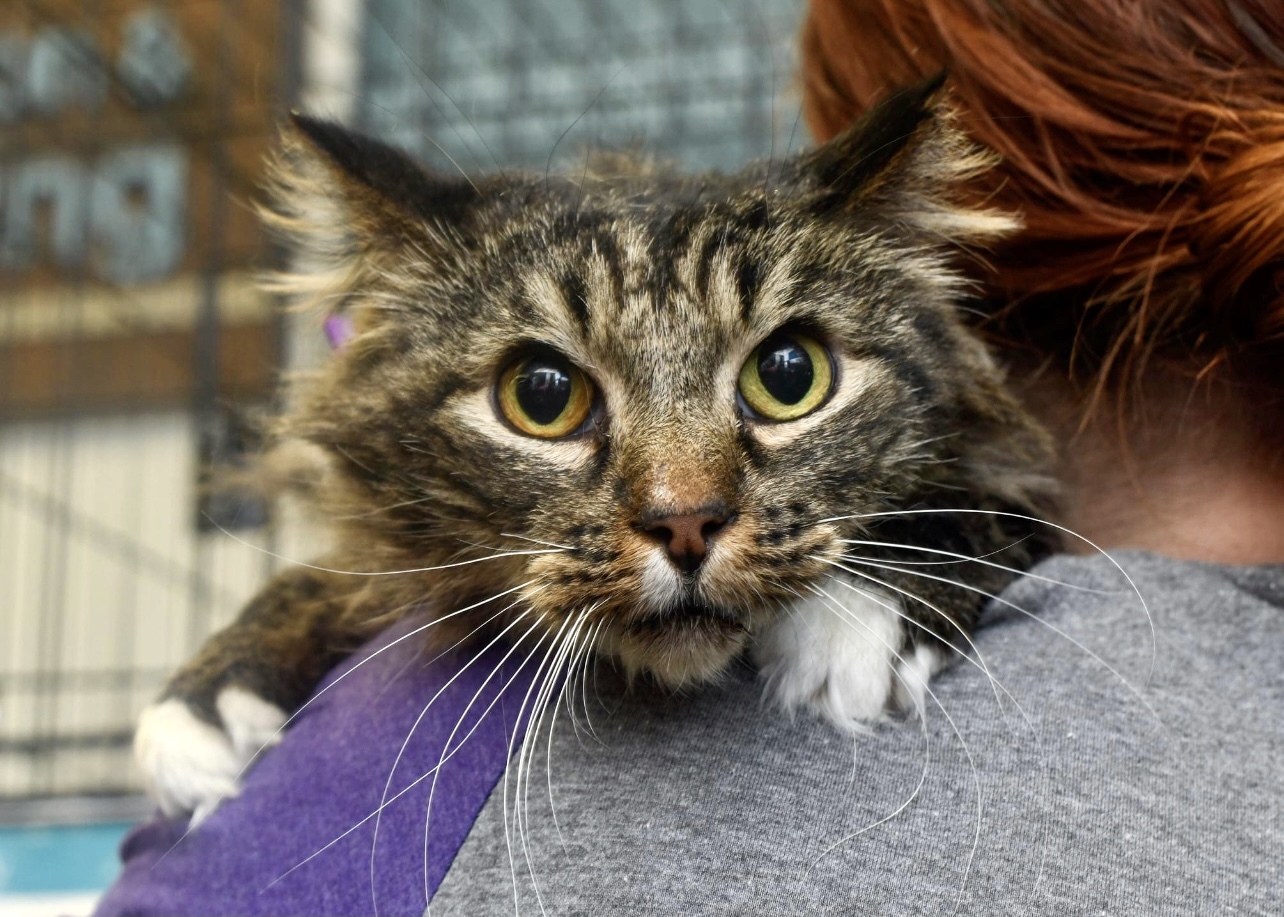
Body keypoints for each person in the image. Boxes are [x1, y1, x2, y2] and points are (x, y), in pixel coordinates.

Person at [97, 1, 1284, 914]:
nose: (682, 502)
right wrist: (313, 610)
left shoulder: (342, 818)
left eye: (785, 377)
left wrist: (937, 560)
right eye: (545, 393)